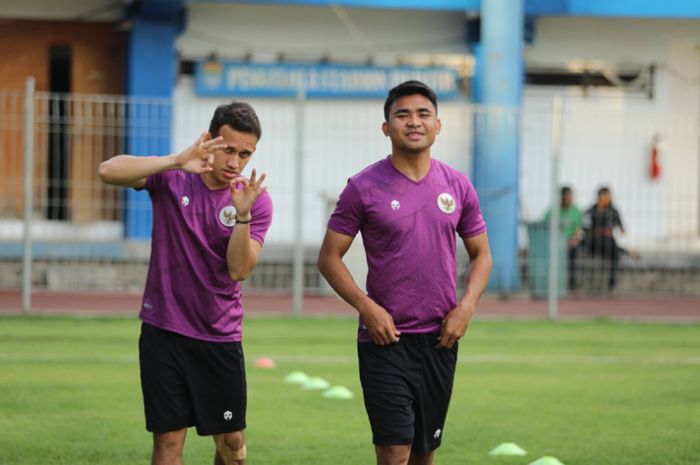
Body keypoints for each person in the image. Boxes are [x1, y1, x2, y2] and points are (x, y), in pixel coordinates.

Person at [317, 80, 492, 465]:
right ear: (387, 127)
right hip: (385, 339)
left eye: (423, 113)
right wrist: (367, 308)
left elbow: (482, 255)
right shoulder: (362, 187)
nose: (414, 122)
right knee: (394, 452)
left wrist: (466, 307)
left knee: (424, 454)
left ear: (438, 125)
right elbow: (329, 257)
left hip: (440, 341)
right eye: (402, 115)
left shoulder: (458, 185)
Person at [98, 101, 272, 465]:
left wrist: (242, 217)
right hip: (164, 331)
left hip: (219, 335)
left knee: (232, 444)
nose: (235, 162)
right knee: (168, 442)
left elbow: (239, 270)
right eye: (228, 149)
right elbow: (108, 170)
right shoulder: (174, 177)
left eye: (245, 154)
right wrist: (176, 160)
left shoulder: (254, 200)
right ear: (209, 140)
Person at [583, 186, 624, 292]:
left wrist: (611, 229)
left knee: (614, 250)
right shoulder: (590, 211)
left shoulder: (613, 211)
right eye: (606, 196)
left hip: (608, 243)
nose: (609, 198)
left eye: (609, 196)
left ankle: (612, 283)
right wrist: (602, 231)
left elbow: (622, 229)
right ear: (600, 197)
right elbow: (585, 231)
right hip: (593, 242)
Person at [544, 186, 583, 292]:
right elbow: (544, 226)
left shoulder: (576, 212)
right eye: (565, 197)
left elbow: (579, 229)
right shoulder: (552, 211)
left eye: (570, 197)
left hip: (571, 242)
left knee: (574, 254)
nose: (568, 199)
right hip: (556, 242)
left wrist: (574, 239)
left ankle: (573, 284)